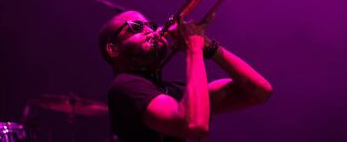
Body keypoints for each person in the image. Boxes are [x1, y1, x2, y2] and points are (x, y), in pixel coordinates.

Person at [99, 10, 273, 142]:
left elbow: (259, 92)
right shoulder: (124, 86)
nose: (149, 30)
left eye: (150, 26)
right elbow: (194, 125)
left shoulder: (176, 92)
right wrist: (194, 48)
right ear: (113, 49)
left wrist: (210, 47)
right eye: (136, 26)